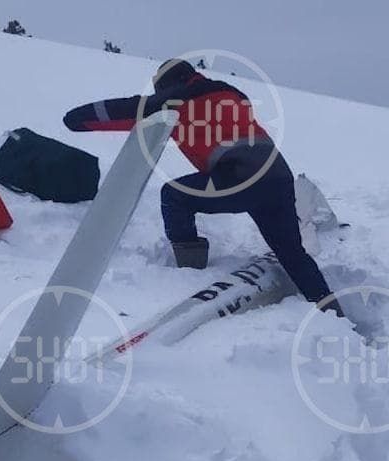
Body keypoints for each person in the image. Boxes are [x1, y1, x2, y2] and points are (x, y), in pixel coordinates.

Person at [63, 58, 339, 314]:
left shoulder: (175, 99)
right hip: (277, 176)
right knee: (292, 254)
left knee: (174, 196)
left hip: (239, 177)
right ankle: (332, 312)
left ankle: (190, 270)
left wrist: (74, 119)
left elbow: (121, 111)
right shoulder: (228, 93)